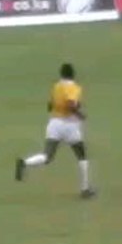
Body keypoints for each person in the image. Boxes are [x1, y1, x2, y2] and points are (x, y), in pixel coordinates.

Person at [15, 63, 95, 198]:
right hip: (70, 125)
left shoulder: (56, 87)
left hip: (54, 123)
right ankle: (85, 189)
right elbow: (70, 104)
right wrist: (80, 114)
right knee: (82, 156)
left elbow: (50, 105)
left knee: (47, 156)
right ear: (73, 74)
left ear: (61, 74)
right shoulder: (74, 87)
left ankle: (24, 163)